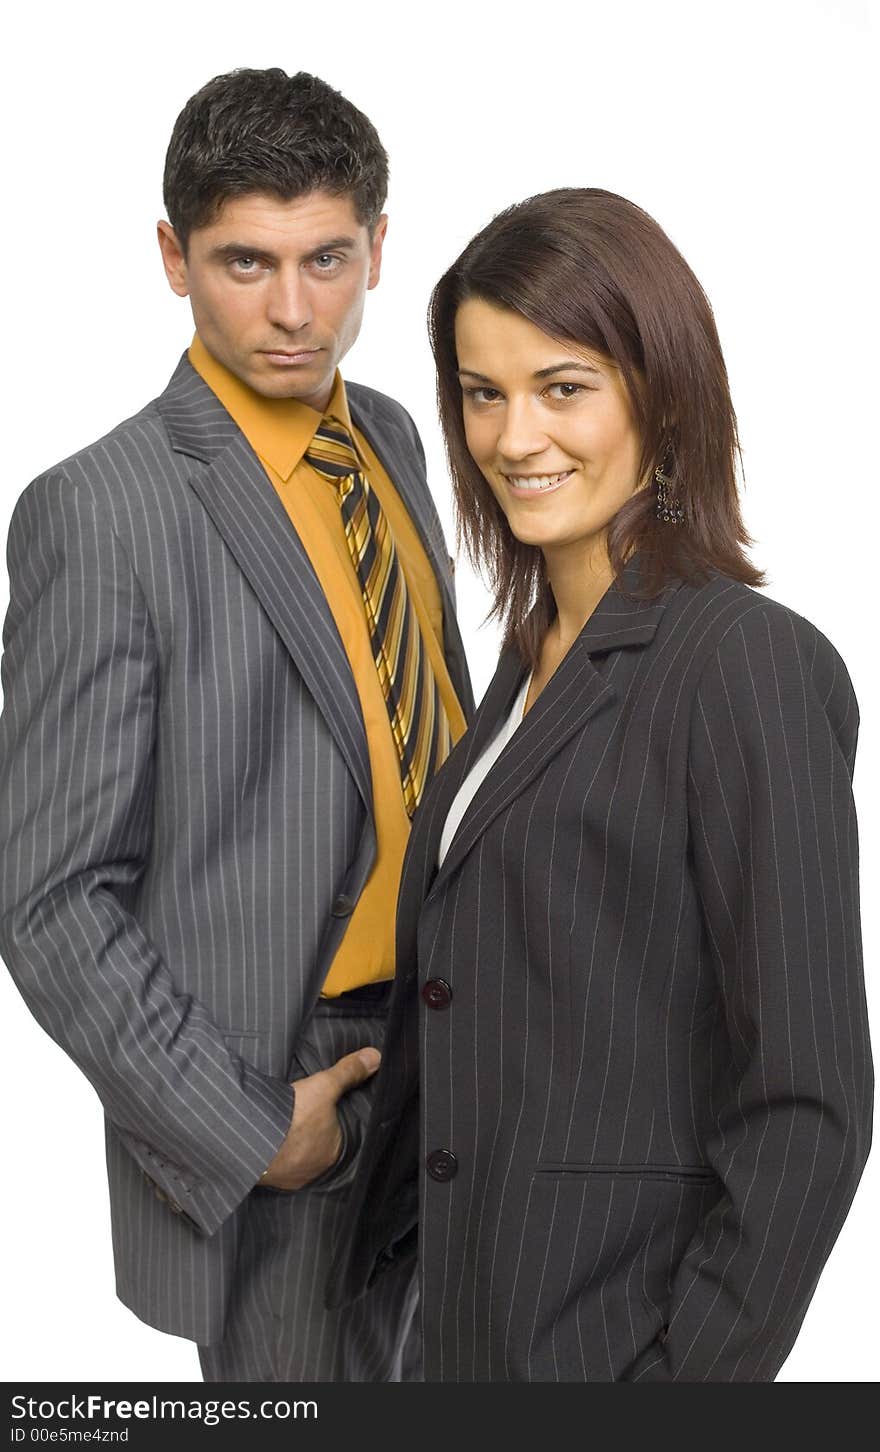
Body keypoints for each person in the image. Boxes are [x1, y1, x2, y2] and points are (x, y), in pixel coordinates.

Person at [326, 188, 872, 1381]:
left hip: (597, 1349)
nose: (515, 437)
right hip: (436, 1332)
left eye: (562, 387)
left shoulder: (744, 664)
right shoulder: (519, 677)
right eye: (482, 392)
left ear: (659, 394)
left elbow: (806, 1099)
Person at [0, 67, 473, 1382]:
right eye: (243, 263)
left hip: (461, 1038)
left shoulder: (388, 437)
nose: (292, 309)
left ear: (379, 246)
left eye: (328, 258)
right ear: (173, 257)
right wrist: (249, 1127)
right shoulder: (103, 514)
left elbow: (421, 708)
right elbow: (47, 898)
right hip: (292, 1080)